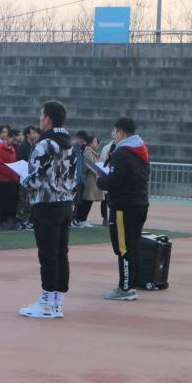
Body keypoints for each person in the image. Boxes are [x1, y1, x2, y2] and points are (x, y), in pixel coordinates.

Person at [18, 100, 78, 319]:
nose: (40, 120)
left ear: (48, 119)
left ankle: (45, 301)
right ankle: (57, 303)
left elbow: (36, 178)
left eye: (41, 116)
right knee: (61, 253)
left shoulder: (44, 144)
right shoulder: (70, 145)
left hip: (46, 203)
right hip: (65, 203)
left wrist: (23, 180)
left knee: (47, 254)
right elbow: (74, 177)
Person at [96, 117, 151, 302]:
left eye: (115, 132)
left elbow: (113, 181)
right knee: (133, 244)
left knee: (123, 247)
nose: (114, 136)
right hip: (139, 203)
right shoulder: (141, 150)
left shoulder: (122, 153)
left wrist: (100, 180)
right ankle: (131, 283)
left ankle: (125, 288)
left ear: (121, 132)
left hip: (123, 206)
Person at [74, 135, 103, 227]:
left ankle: (83, 219)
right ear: (90, 143)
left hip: (92, 179)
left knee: (89, 200)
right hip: (89, 179)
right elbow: (90, 165)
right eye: (95, 141)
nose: (97, 143)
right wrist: (100, 171)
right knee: (86, 200)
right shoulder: (88, 151)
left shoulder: (91, 152)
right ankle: (81, 219)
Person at [0, 128, 20, 228]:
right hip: (4, 179)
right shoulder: (0, 149)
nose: (14, 141)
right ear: (8, 138)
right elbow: (0, 165)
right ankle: (3, 220)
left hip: (13, 179)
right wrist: (11, 171)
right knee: (4, 201)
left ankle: (11, 219)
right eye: (13, 139)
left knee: (12, 200)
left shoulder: (13, 150)